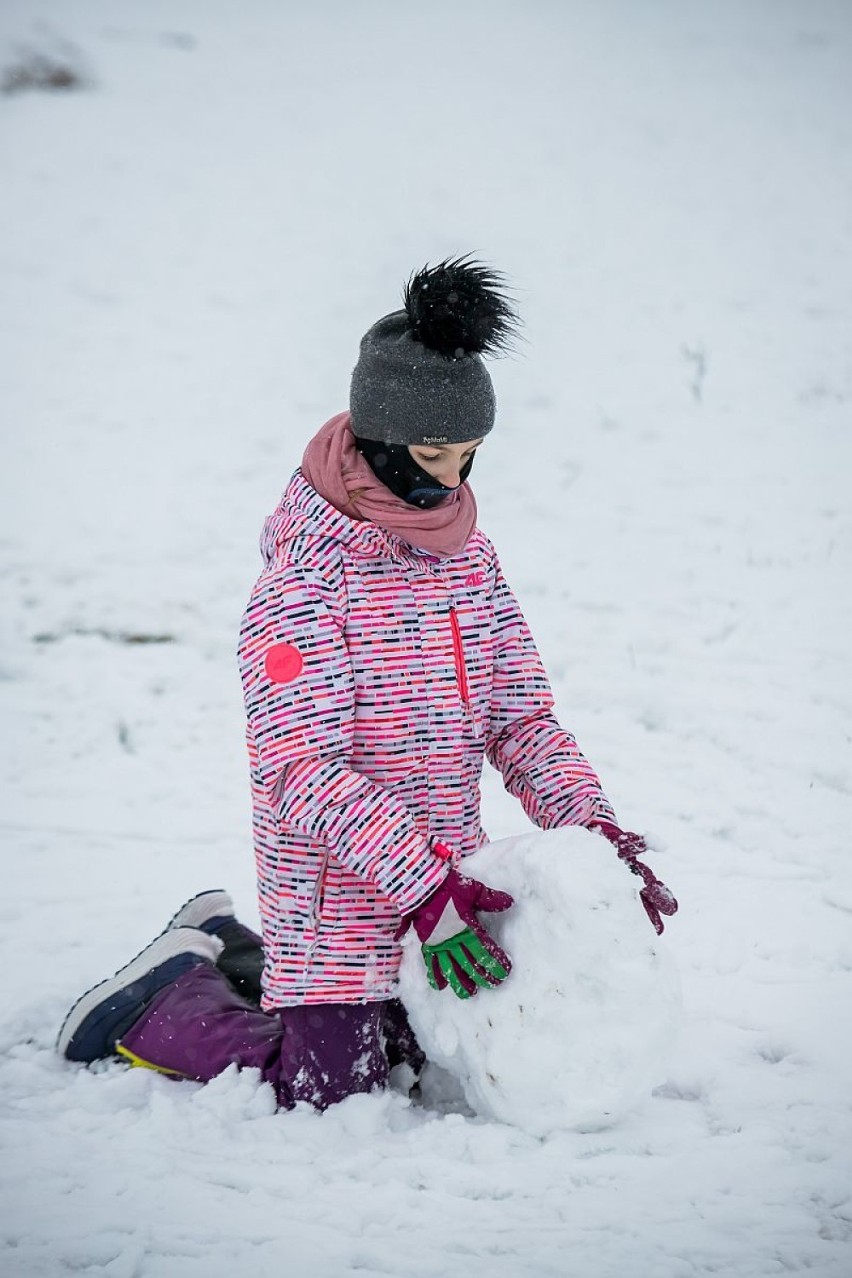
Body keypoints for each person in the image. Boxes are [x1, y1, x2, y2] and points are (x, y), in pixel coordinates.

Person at [57, 257, 677, 1110]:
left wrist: (598, 838)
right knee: (332, 1092)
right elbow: (299, 771)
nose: (452, 482)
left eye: (470, 456)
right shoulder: (303, 585)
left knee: (415, 1063)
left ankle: (232, 948)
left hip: (448, 888)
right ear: (378, 438)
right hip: (338, 893)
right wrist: (423, 887)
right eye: (431, 454)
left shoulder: (469, 562)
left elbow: (521, 720)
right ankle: (166, 995)